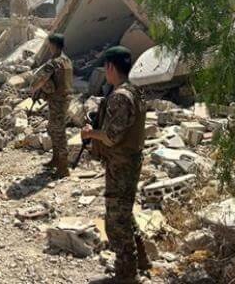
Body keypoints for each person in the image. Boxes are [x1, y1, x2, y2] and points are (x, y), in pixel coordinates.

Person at [82, 46, 151, 283]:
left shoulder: (120, 96)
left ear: (111, 67)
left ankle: (126, 275)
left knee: (115, 223)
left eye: (105, 67)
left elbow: (111, 137)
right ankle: (141, 259)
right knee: (125, 213)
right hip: (129, 161)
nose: (105, 71)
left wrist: (91, 133)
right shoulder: (136, 91)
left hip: (121, 165)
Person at [29, 33, 73, 178]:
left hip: (57, 101)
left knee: (58, 132)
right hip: (64, 99)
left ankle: (63, 168)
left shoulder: (54, 63)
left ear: (53, 45)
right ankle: (56, 159)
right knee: (54, 129)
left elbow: (41, 79)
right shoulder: (67, 60)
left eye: (49, 44)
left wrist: (33, 89)